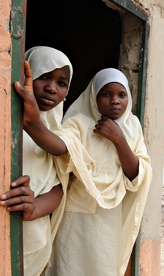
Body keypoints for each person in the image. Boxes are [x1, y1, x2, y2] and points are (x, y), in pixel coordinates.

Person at [15, 67, 152, 275]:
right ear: (93, 97)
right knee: (69, 266)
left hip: (109, 219)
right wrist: (32, 124)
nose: (115, 100)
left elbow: (137, 175)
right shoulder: (79, 123)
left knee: (103, 267)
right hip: (75, 218)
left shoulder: (132, 127)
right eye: (106, 94)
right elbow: (61, 146)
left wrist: (118, 139)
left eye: (121, 95)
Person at [0, 46, 73, 276]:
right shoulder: (7, 122)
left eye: (62, 83)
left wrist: (34, 207)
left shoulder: (60, 133)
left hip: (33, 244)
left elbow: (60, 187)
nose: (52, 88)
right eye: (44, 77)